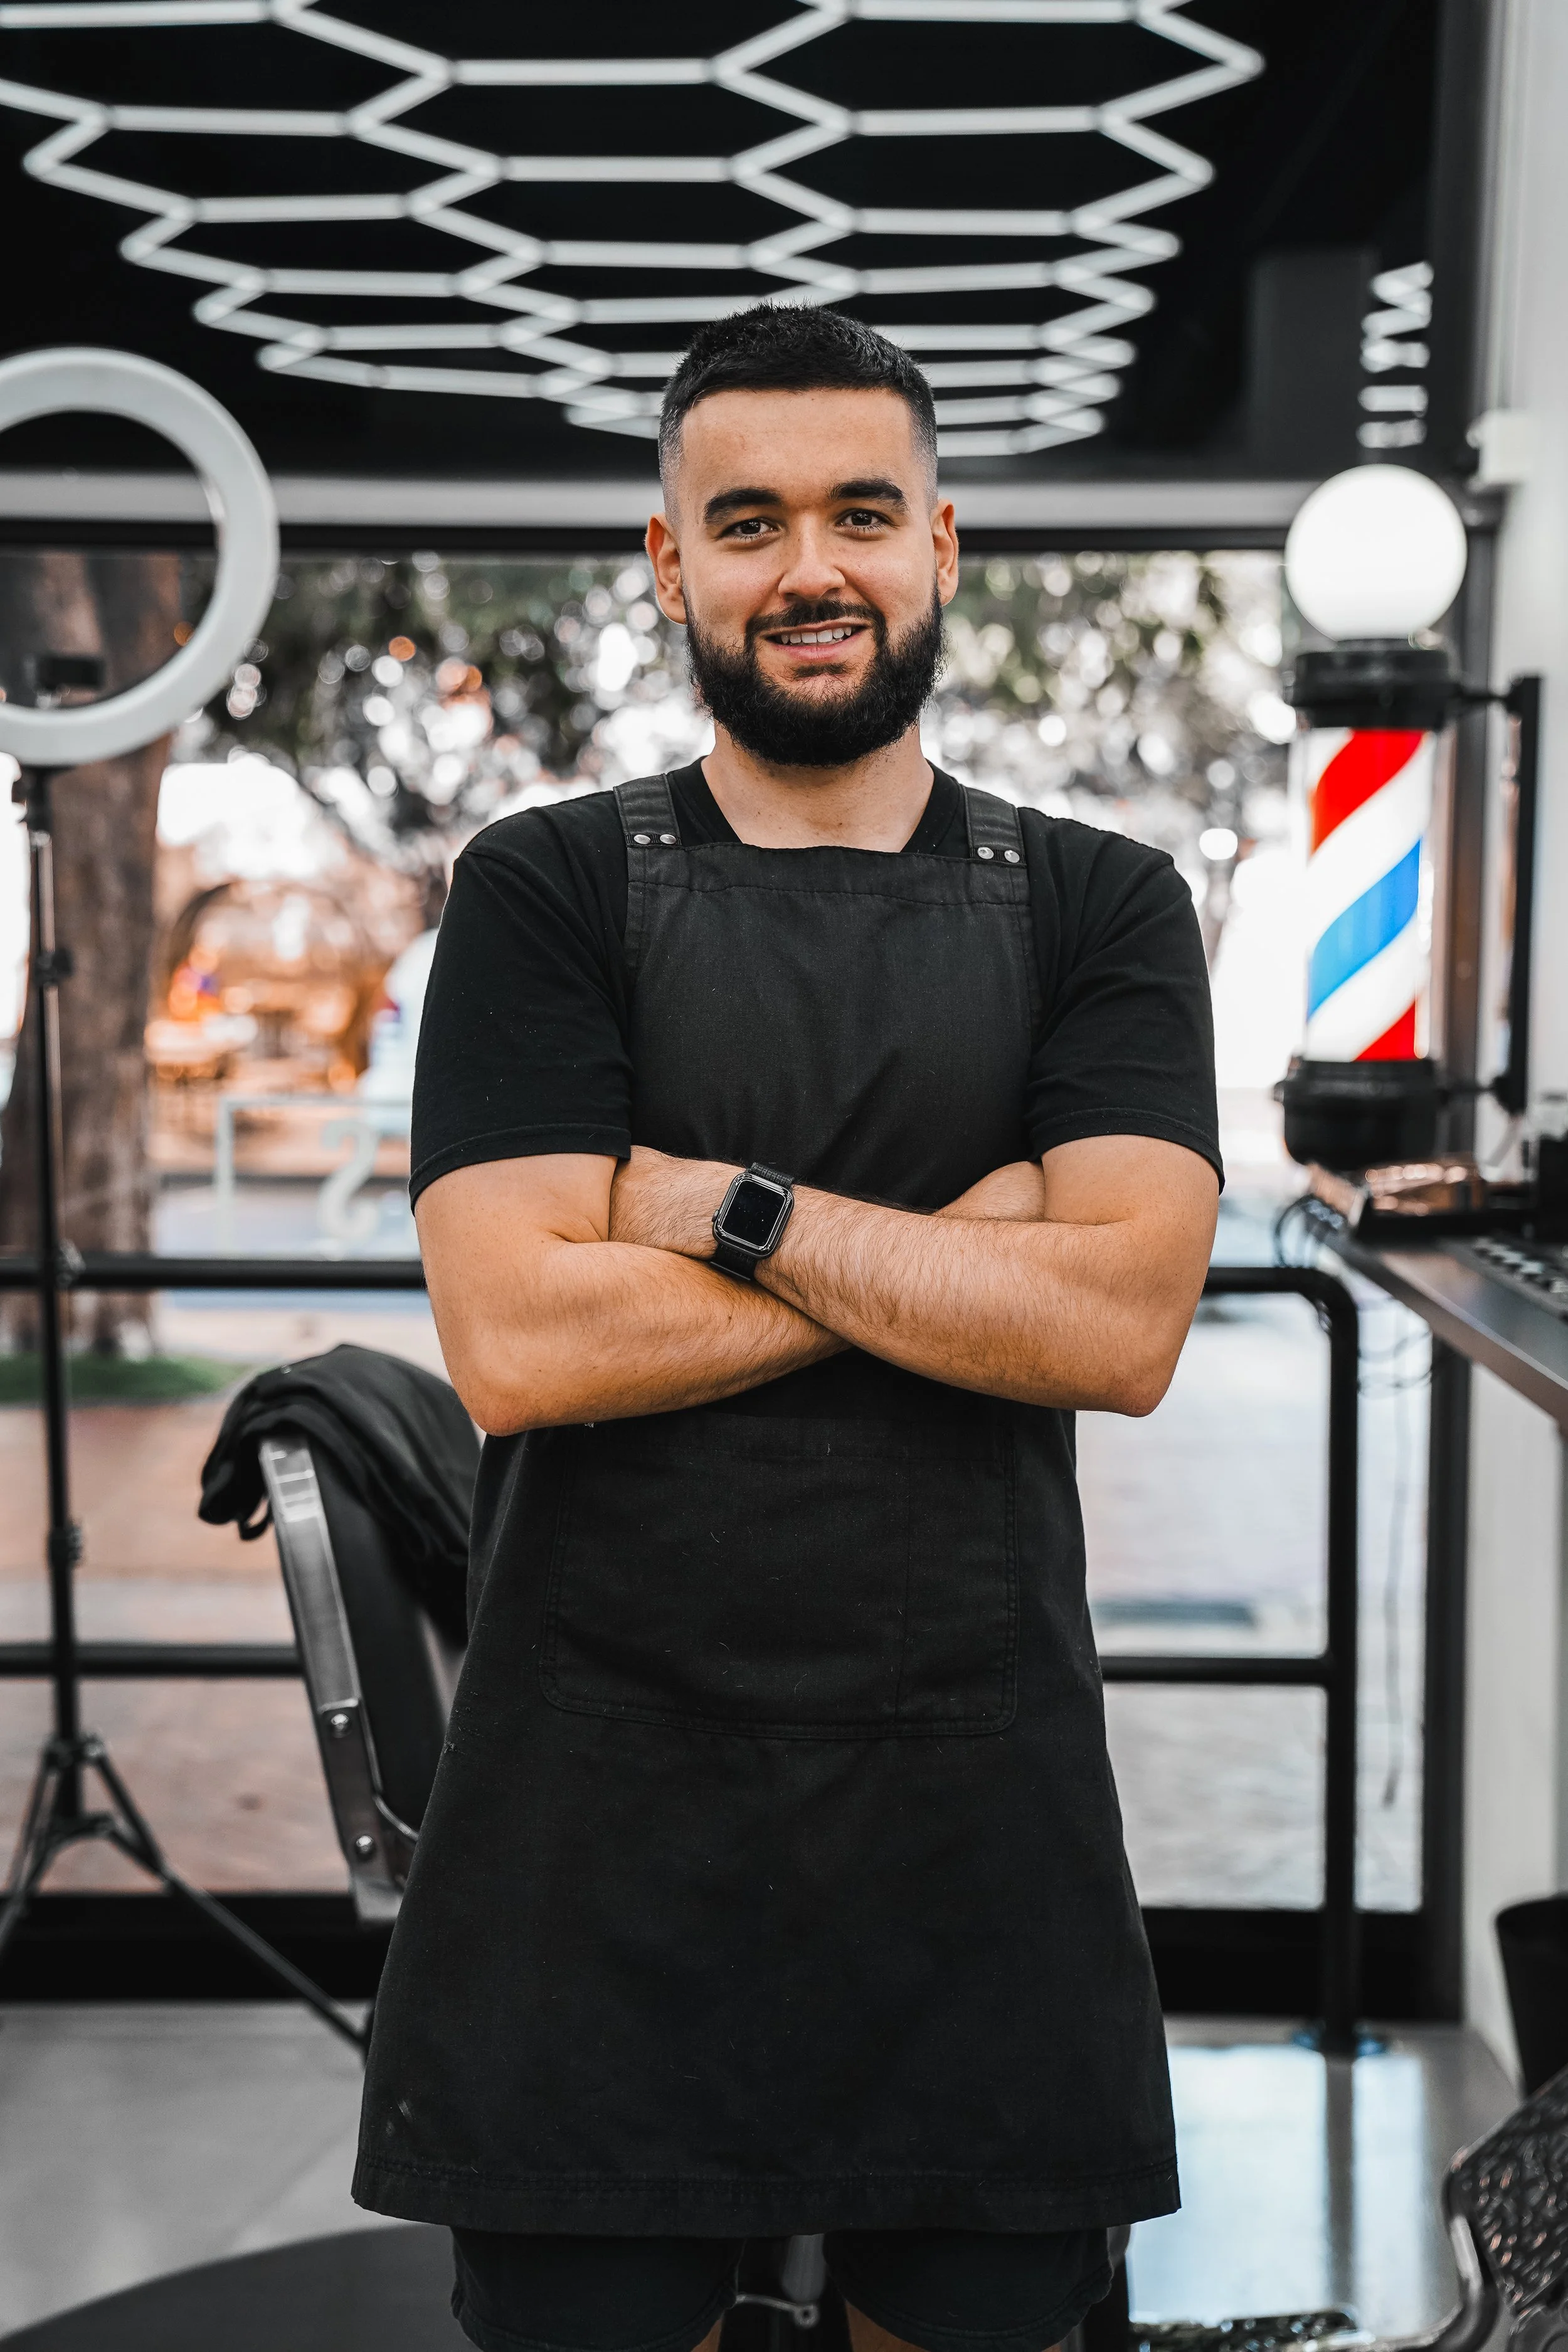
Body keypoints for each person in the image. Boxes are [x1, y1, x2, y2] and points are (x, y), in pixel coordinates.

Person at [354, 303, 1222, 2352]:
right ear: (667, 562)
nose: (805, 567)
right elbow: (523, 1344)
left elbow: (1117, 1326)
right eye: (743, 522)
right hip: (599, 1826)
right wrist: (962, 1252)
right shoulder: (542, 889)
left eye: (857, 513)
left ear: (943, 542)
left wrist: (716, 1208)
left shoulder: (1102, 905)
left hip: (973, 1822)